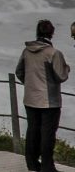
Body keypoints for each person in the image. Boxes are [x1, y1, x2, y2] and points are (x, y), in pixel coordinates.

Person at [16, 19, 70, 172]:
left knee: (32, 130)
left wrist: (30, 85)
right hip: (49, 101)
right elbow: (61, 76)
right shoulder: (53, 53)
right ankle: (47, 166)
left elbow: (19, 72)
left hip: (30, 98)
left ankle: (32, 163)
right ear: (52, 33)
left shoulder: (26, 51)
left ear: (37, 32)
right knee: (48, 134)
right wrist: (67, 68)